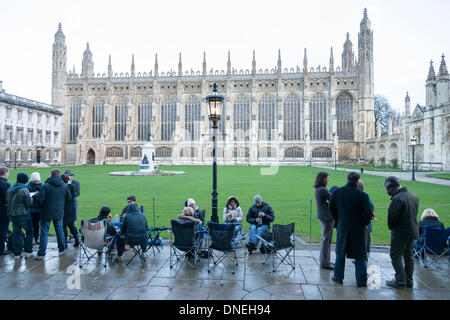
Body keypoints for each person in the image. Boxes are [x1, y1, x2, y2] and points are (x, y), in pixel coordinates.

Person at [329, 172, 372, 287]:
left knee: (340, 251)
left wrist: (339, 220)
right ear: (357, 181)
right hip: (358, 228)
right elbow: (368, 213)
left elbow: (331, 208)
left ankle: (338, 277)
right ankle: (361, 280)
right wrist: (363, 223)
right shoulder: (362, 195)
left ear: (347, 179)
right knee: (360, 254)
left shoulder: (338, 192)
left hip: (343, 226)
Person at [384, 176, 419, 289]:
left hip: (400, 232)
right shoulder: (413, 197)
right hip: (412, 231)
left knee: (395, 255)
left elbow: (392, 218)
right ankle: (409, 281)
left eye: (387, 188)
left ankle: (400, 281)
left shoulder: (397, 199)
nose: (387, 191)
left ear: (391, 187)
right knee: (408, 256)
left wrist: (391, 227)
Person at [35, 169, 72, 259]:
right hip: (59, 212)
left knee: (44, 232)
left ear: (51, 175)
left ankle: (42, 252)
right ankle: (62, 248)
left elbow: (40, 200)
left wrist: (37, 196)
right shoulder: (64, 186)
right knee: (59, 231)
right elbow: (69, 198)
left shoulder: (46, 186)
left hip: (46, 212)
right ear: (59, 175)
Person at [6, 173, 33, 259]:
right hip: (23, 214)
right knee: (29, 232)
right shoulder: (24, 190)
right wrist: (32, 198)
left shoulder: (10, 189)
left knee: (16, 233)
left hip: (12, 215)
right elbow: (28, 203)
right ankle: (28, 251)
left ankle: (17, 253)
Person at [314, 171, 334, 270]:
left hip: (322, 215)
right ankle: (325, 263)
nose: (328, 180)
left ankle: (325, 260)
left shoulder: (319, 189)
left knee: (324, 239)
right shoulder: (322, 190)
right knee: (326, 240)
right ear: (322, 179)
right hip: (327, 217)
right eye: (326, 178)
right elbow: (333, 199)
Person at [357, 180, 375, 260]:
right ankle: (364, 256)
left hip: (364, 222)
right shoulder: (364, 195)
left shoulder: (363, 196)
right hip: (365, 222)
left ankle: (364, 256)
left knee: (364, 240)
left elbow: (371, 208)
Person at [61, 174, 80, 247]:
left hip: (64, 209)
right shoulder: (72, 186)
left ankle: (65, 243)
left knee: (64, 226)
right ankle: (77, 240)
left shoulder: (63, 187)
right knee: (72, 226)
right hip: (72, 209)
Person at [27, 172, 43, 245]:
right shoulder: (28, 186)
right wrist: (33, 194)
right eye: (35, 181)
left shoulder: (42, 185)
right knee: (31, 224)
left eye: (37, 181)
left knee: (37, 224)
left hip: (39, 208)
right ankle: (32, 238)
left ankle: (37, 238)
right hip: (31, 208)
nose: (36, 182)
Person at [0, 167, 12, 256]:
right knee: (3, 229)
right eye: (8, 173)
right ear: (4, 173)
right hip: (3, 211)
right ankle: (1, 249)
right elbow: (7, 199)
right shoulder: (5, 184)